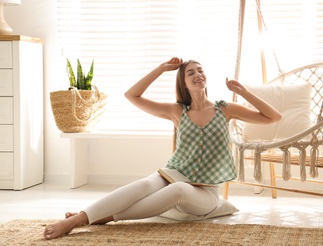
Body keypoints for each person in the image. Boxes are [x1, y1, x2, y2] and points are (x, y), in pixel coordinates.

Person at [43, 57, 281, 240]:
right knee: (145, 184)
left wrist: (244, 92)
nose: (198, 74)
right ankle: (81, 218)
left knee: (177, 190)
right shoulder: (177, 111)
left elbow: (273, 117)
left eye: (200, 70)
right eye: (191, 72)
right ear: (184, 83)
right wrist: (161, 68)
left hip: (204, 191)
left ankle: (89, 219)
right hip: (172, 172)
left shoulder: (225, 109)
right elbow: (132, 95)